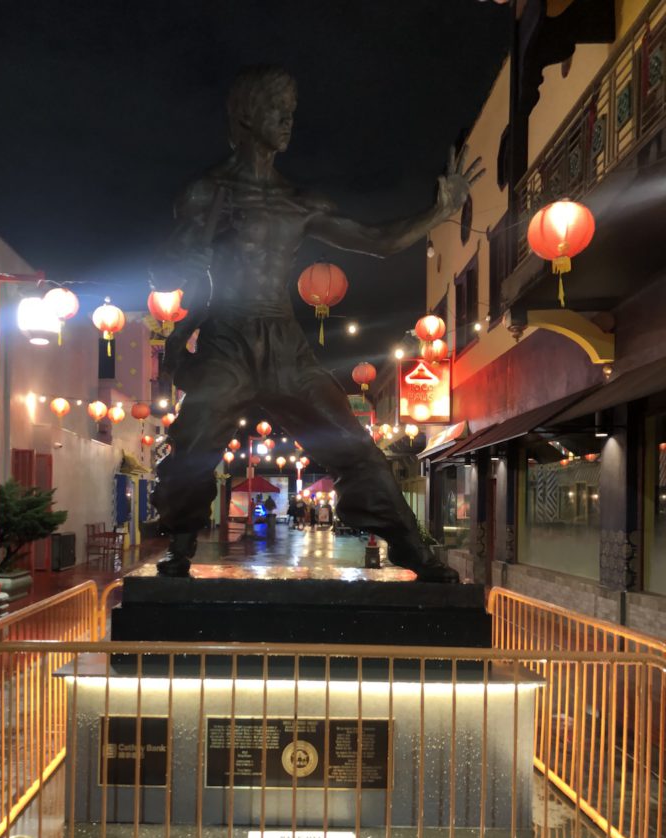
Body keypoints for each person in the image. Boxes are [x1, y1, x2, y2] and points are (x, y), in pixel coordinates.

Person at [153, 66, 482, 580]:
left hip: (285, 344)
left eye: (291, 111)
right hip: (228, 339)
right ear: (246, 116)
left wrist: (439, 212)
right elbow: (165, 269)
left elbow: (377, 241)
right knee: (194, 442)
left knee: (356, 447)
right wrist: (180, 260)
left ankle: (410, 548)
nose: (287, 120)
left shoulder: (300, 203)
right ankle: (179, 545)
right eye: (276, 109)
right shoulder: (206, 192)